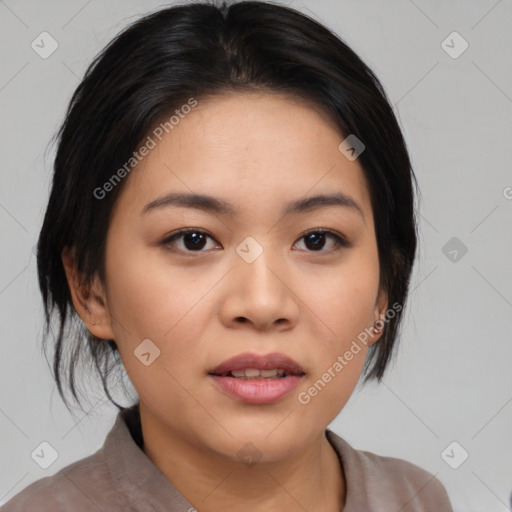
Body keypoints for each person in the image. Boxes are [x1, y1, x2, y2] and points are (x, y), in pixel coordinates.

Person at [2, 0, 453, 510]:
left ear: (384, 289)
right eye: (193, 239)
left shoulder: (417, 499)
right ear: (90, 287)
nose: (262, 304)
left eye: (317, 239)